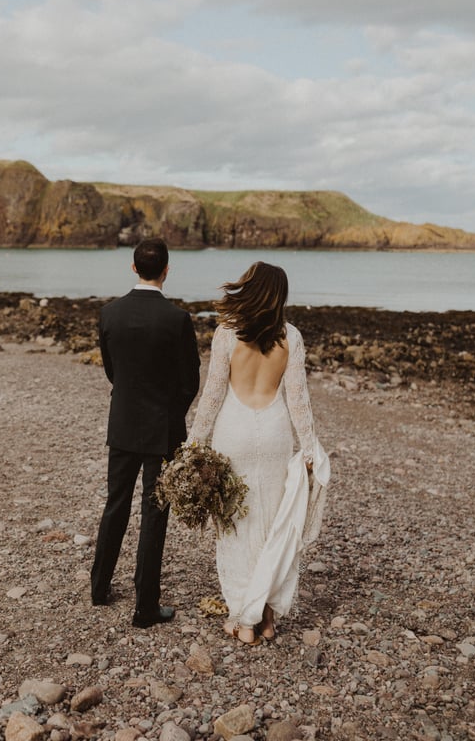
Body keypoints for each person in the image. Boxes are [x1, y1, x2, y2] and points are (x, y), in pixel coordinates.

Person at [187, 260, 329, 645]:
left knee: (235, 524)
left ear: (249, 289)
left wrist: (193, 444)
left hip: (232, 432)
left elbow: (213, 394)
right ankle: (265, 617)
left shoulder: (226, 334)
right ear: (279, 296)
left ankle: (242, 618)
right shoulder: (291, 337)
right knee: (272, 523)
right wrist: (310, 447)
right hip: (274, 433)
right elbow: (298, 400)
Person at [91, 237, 201, 628]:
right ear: (167, 270)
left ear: (134, 268)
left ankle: (100, 587)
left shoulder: (109, 314)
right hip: (162, 429)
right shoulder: (177, 320)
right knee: (155, 514)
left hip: (122, 423)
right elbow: (190, 381)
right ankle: (145, 606)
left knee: (115, 505)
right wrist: (171, 413)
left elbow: (111, 371)